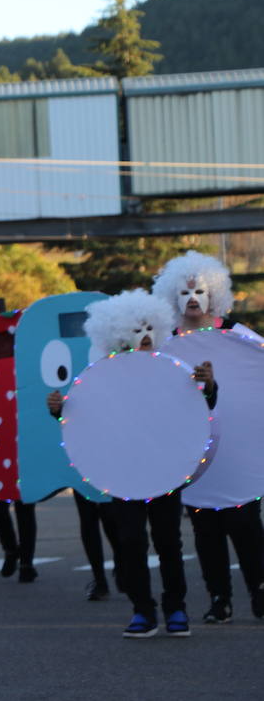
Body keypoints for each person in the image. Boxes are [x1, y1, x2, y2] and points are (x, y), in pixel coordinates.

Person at [50, 289, 216, 638]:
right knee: (130, 541)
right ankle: (143, 609)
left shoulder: (173, 369)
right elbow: (86, 420)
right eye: (135, 329)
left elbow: (201, 407)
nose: (143, 336)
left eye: (148, 328)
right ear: (118, 335)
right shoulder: (101, 375)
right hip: (122, 473)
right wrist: (59, 409)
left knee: (169, 542)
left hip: (165, 471)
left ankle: (176, 609)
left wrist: (208, 384)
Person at [152, 251, 264, 624]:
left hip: (240, 454)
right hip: (194, 458)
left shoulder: (237, 337)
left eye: (200, 291)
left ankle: (258, 591)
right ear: (173, 299)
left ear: (213, 294)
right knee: (205, 529)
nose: (193, 299)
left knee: (246, 526)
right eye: (185, 294)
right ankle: (220, 598)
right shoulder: (166, 343)